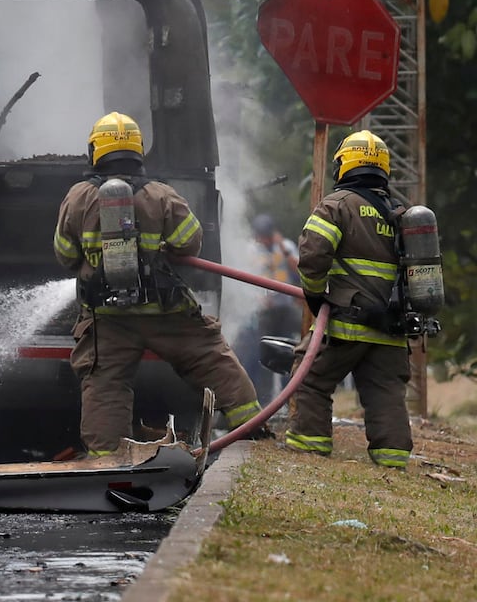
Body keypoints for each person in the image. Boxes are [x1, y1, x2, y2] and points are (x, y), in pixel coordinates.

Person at [53, 111, 261, 456]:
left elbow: (64, 253)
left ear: (95, 151)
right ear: (139, 151)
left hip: (108, 319)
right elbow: (191, 243)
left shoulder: (78, 197)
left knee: (105, 384)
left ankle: (108, 460)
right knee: (211, 359)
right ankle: (251, 428)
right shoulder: (161, 195)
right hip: (166, 313)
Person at [285, 129, 412, 469]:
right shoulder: (402, 216)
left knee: (309, 376)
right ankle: (393, 460)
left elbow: (312, 257)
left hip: (346, 324)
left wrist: (315, 296)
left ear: (344, 166)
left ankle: (309, 448)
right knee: (386, 392)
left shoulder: (337, 206)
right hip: (391, 328)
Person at [234, 213, 304, 405]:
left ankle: (289, 400)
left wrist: (283, 247)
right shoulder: (250, 250)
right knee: (261, 355)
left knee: (289, 352)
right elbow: (242, 279)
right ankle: (261, 402)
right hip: (262, 311)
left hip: (284, 308)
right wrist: (255, 300)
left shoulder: (286, 246)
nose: (263, 239)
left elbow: (300, 271)